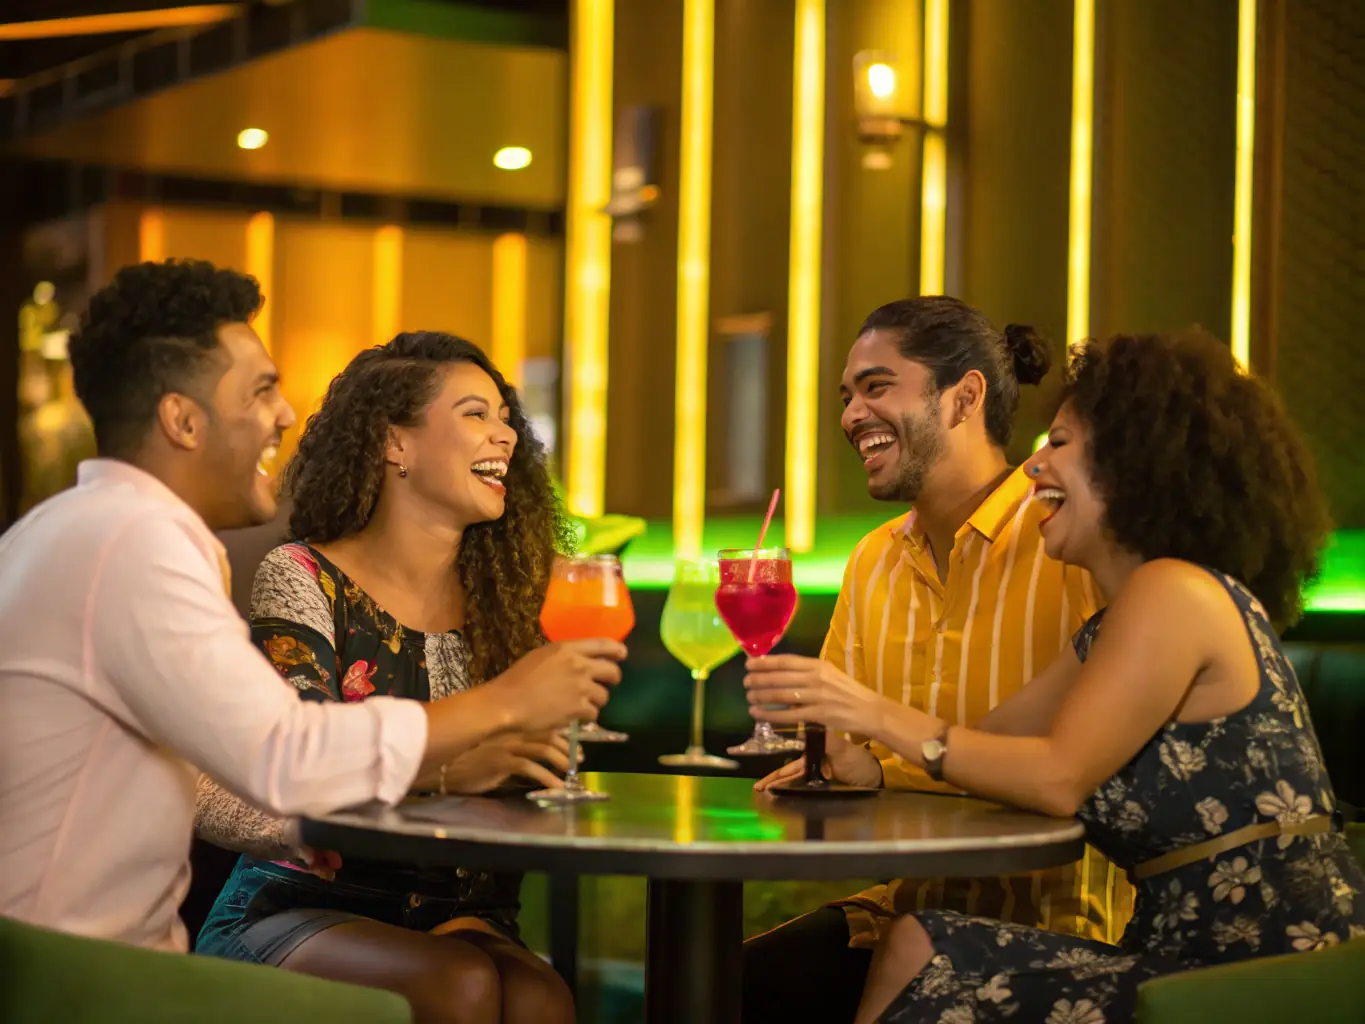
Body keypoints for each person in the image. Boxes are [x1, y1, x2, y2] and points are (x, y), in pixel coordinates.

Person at [0, 260, 624, 955]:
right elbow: (286, 757)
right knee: (458, 991)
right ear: (182, 419)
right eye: (261, 390)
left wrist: (321, 814)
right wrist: (506, 702)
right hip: (63, 973)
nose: (287, 413)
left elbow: (252, 760)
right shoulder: (131, 542)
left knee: (533, 996)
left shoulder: (101, 529)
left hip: (96, 960)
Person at [747, 328, 1363, 1023]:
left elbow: (1053, 776)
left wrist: (871, 712)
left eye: (1059, 443)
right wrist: (875, 769)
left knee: (917, 951)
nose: (1033, 466)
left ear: (1136, 460)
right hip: (1177, 958)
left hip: (1263, 975)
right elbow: (979, 744)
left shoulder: (1175, 593)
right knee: (917, 940)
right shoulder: (1114, 625)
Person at [741, 296, 1126, 1023]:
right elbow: (851, 747)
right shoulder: (871, 561)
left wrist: (882, 748)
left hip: (1062, 920)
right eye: (847, 396)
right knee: (729, 988)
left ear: (965, 396)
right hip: (901, 909)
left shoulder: (1067, 541)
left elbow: (1073, 764)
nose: (852, 414)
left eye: (876, 387)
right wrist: (847, 765)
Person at [195, 332, 577, 1024]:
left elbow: (540, 770)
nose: (506, 436)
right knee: (458, 982)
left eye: (504, 417)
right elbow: (300, 769)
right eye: (475, 414)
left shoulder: (519, 598)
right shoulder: (303, 575)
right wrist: (443, 774)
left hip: (466, 912)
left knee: (539, 997)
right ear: (394, 442)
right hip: (303, 907)